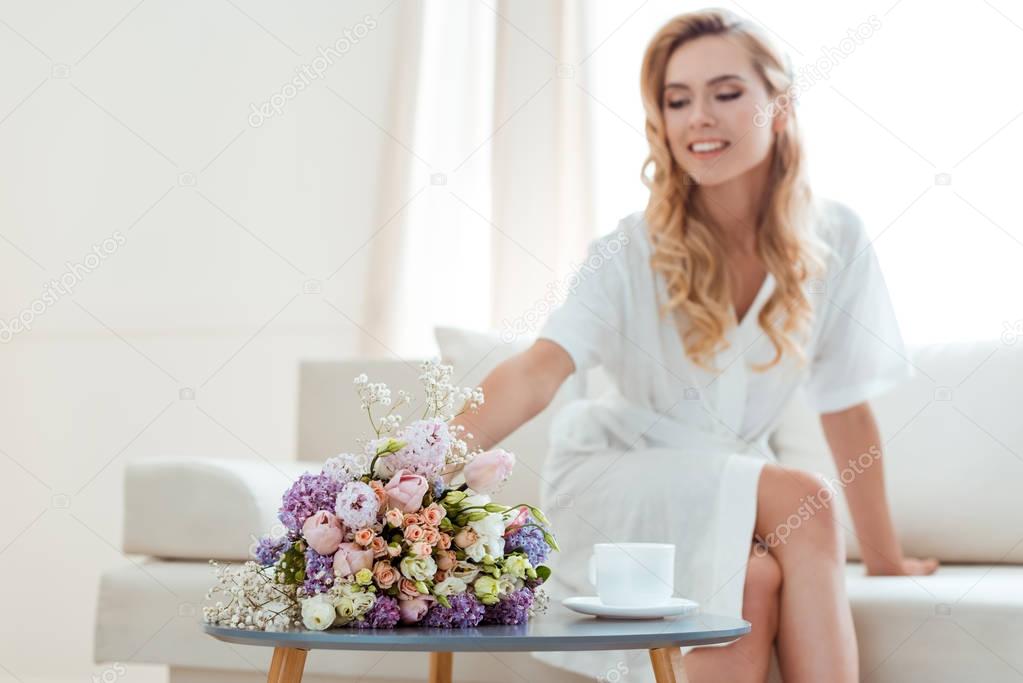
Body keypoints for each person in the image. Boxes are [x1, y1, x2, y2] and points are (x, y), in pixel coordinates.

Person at [448, 8, 938, 683]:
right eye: (677, 100)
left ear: (780, 105)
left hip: (726, 485)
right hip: (616, 474)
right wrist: (408, 468)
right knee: (806, 499)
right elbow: (539, 370)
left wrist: (885, 560)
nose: (698, 118)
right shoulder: (628, 249)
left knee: (755, 576)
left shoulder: (835, 238)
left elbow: (845, 408)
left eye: (726, 93)